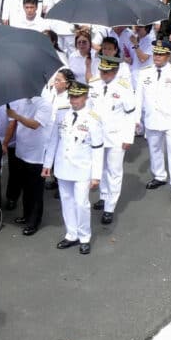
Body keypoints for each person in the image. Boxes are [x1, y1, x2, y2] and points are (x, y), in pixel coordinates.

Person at [42, 81, 104, 254]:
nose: (73, 100)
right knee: (67, 201)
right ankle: (71, 233)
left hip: (83, 168)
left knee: (82, 203)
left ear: (85, 97)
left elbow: (98, 148)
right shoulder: (62, 114)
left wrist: (96, 175)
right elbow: (54, 140)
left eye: (77, 96)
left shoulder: (93, 118)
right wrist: (48, 164)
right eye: (71, 96)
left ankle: (84, 237)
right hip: (63, 166)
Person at [136, 42, 171, 200]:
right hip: (152, 118)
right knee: (154, 148)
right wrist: (136, 119)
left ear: (168, 56)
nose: (157, 57)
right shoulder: (144, 73)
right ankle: (159, 176)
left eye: (161, 54)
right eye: (155, 54)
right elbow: (138, 98)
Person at [89, 56, 136, 225]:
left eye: (107, 71)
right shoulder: (93, 84)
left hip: (116, 135)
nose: (103, 74)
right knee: (100, 168)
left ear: (115, 71)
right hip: (97, 136)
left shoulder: (124, 87)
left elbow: (131, 113)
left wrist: (128, 136)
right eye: (102, 70)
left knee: (114, 171)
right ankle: (103, 196)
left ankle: (110, 207)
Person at [6, 93, 56, 236]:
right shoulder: (22, 100)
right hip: (22, 151)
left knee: (35, 191)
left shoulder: (44, 104)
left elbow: (34, 125)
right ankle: (26, 215)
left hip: (37, 155)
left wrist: (16, 116)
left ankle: (34, 222)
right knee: (26, 188)